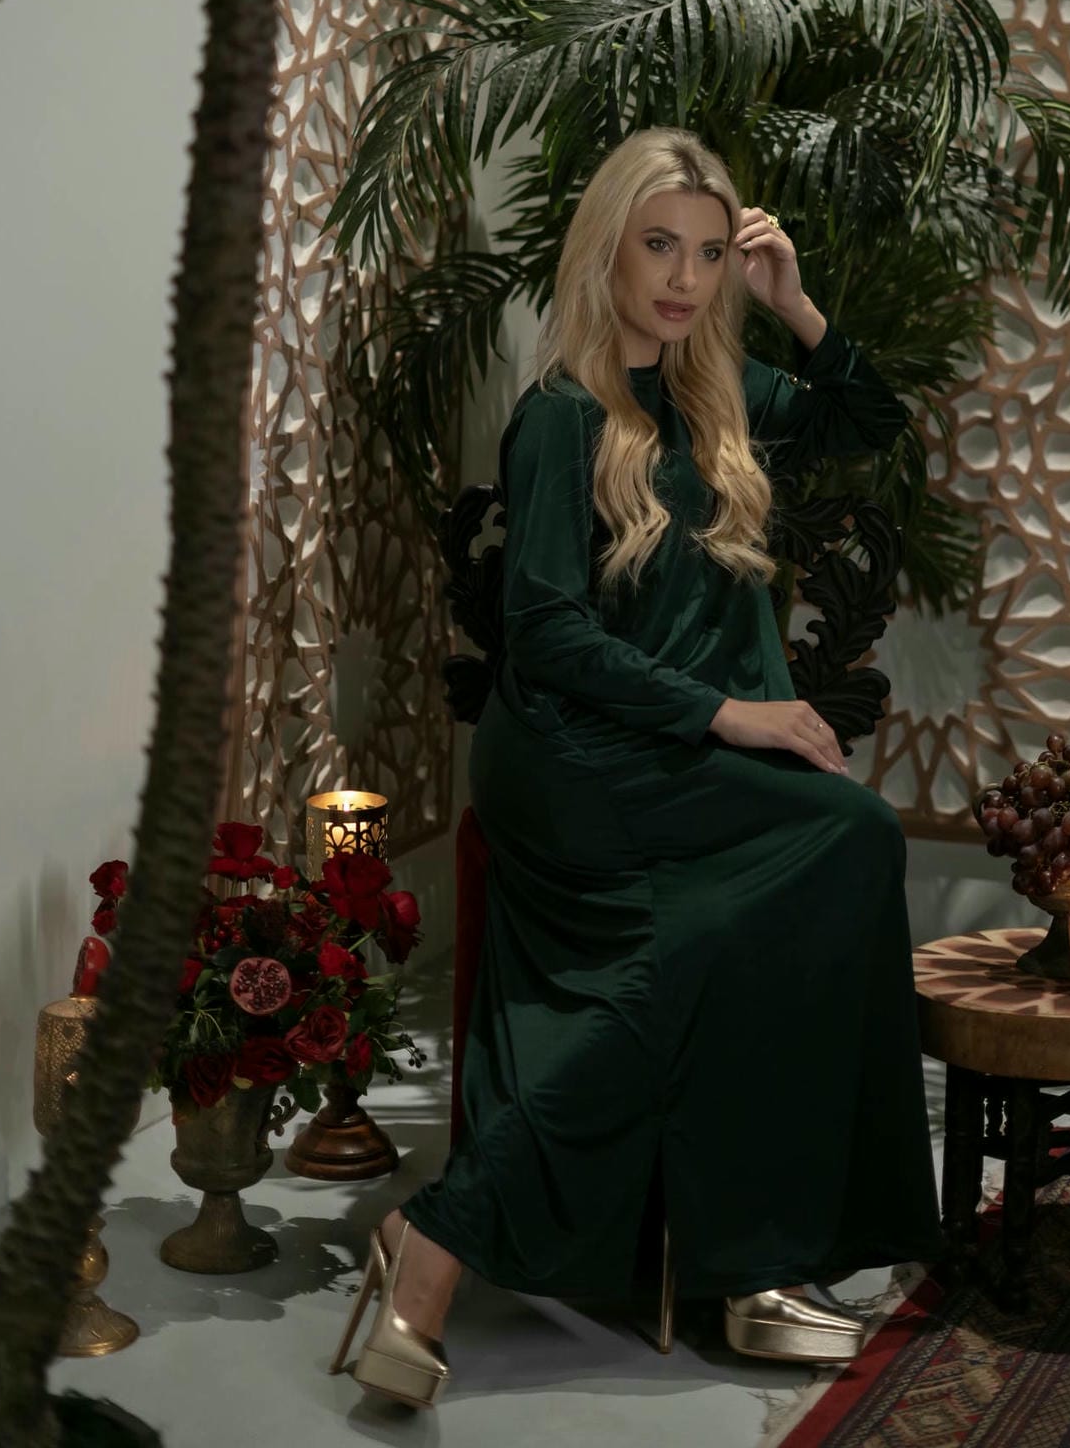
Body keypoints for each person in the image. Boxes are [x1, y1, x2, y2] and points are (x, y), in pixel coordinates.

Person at [331, 127, 943, 1408]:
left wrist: (794, 304)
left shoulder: (716, 399)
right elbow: (544, 635)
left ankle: (709, 1255)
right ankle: (485, 1248)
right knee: (844, 845)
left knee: (771, 901)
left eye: (710, 255)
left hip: (667, 745)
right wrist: (733, 714)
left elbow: (869, 420)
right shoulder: (562, 414)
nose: (683, 278)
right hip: (571, 755)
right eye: (661, 245)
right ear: (607, 244)